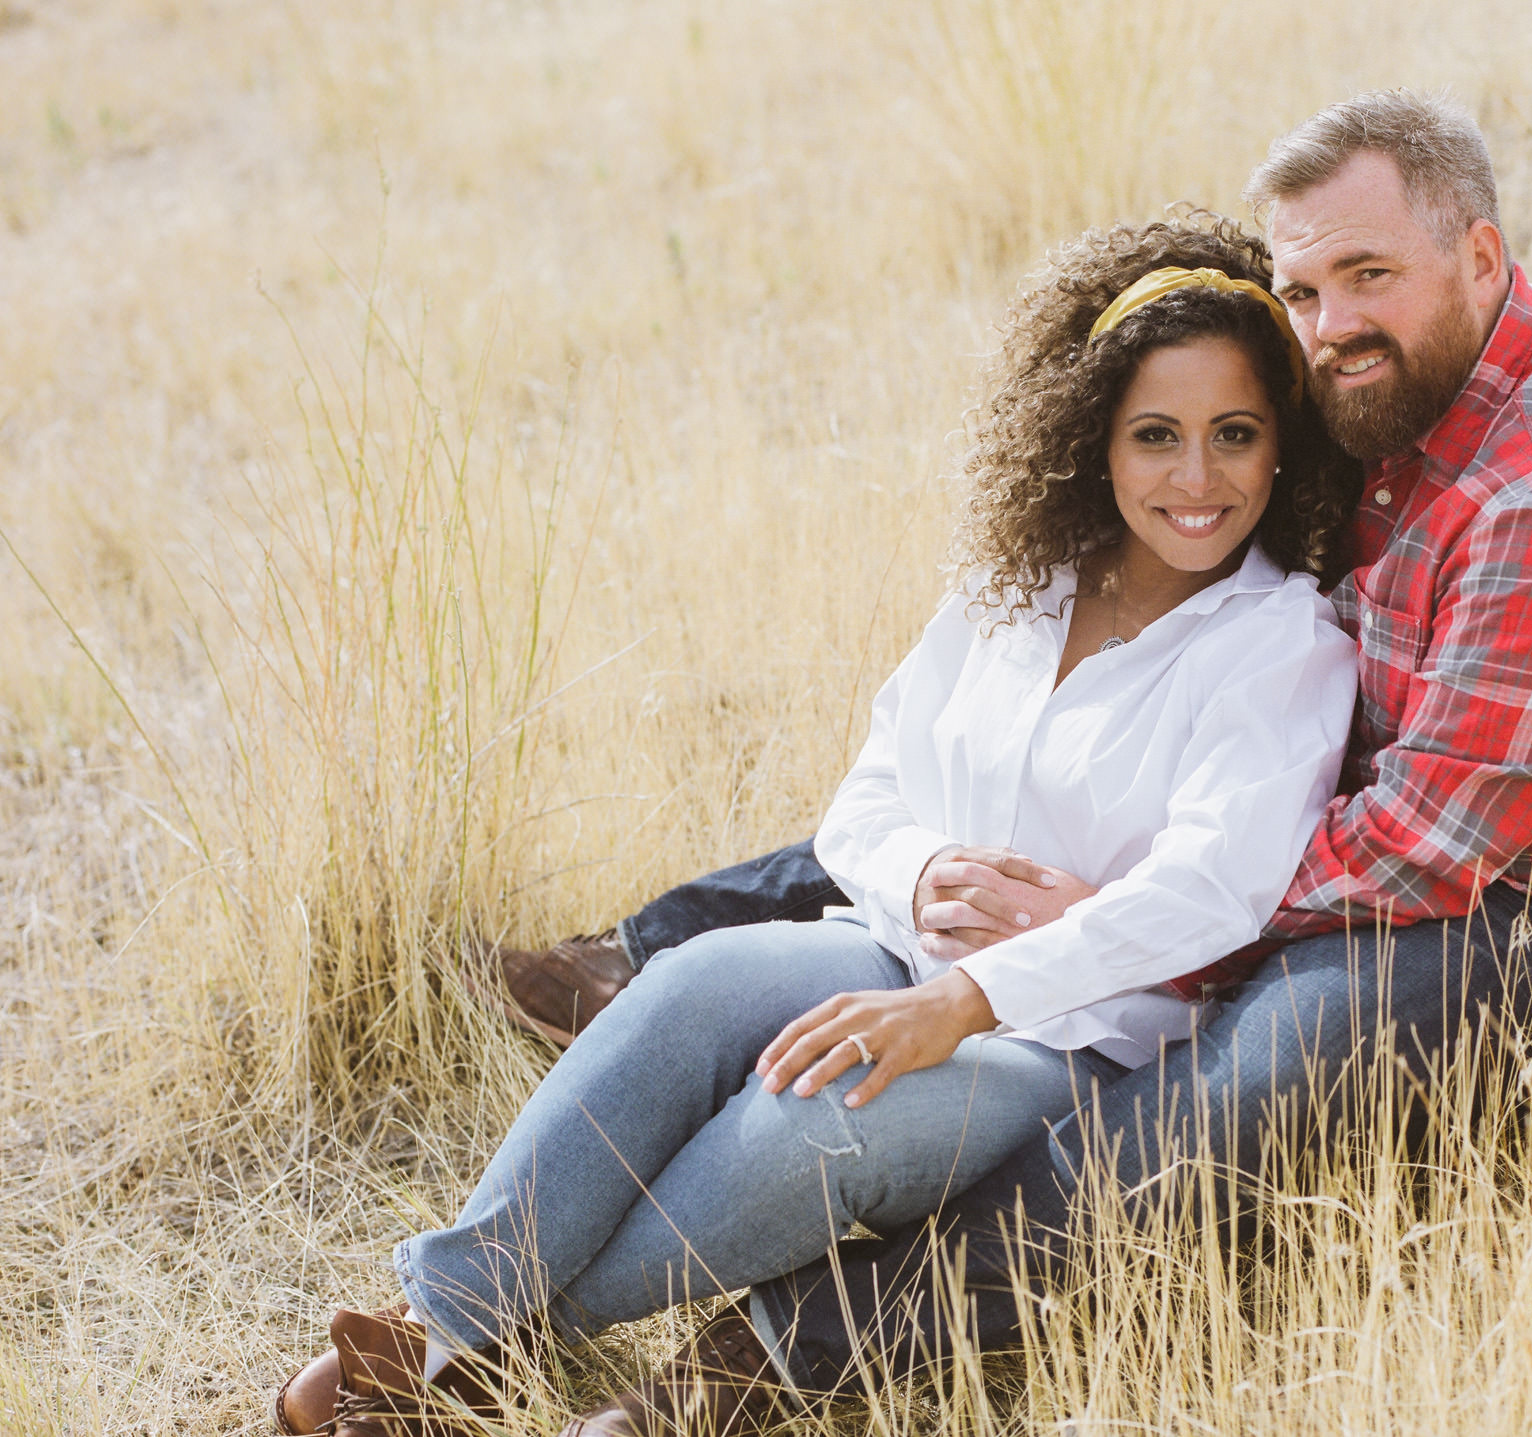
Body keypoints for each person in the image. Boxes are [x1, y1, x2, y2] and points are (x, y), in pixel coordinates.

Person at [465, 88, 1532, 1430]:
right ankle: (652, 973)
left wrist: (1121, 916)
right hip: (1399, 809)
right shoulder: (1402, 391)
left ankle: (769, 1366)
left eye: (1370, 277)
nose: (1332, 328)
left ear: (1487, 259)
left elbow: (1421, 849)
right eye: (1305, 289)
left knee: (1250, 1074)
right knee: (1020, 786)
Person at [271, 215, 1362, 1435]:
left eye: (1236, 436)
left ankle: (492, 1341)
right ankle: (441, 1334)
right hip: (893, 946)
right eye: (1156, 436)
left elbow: (1215, 890)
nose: (1196, 478)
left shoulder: (1282, 646)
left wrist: (962, 1001)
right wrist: (923, 872)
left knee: (819, 1114)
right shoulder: (1019, 588)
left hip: (1078, 1043)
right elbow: (869, 796)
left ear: (1283, 454)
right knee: (693, 980)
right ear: (1094, 439)